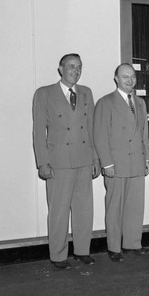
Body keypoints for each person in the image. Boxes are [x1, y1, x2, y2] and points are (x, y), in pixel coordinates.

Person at [32, 54, 100, 270]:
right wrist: (43, 162)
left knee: (84, 209)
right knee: (59, 211)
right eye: (71, 67)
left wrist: (95, 158)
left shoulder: (87, 93)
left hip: (83, 159)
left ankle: (82, 251)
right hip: (58, 163)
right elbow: (38, 132)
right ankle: (58, 255)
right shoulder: (44, 93)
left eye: (79, 67)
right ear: (60, 69)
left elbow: (91, 129)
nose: (76, 71)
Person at [93, 63, 149, 262]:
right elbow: (100, 136)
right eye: (125, 77)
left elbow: (144, 134)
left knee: (135, 206)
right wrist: (106, 164)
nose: (130, 80)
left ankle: (132, 244)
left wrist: (146, 159)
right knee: (114, 207)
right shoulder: (105, 102)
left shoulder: (141, 103)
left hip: (136, 162)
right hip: (116, 165)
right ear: (116, 79)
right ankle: (114, 248)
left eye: (132, 76)